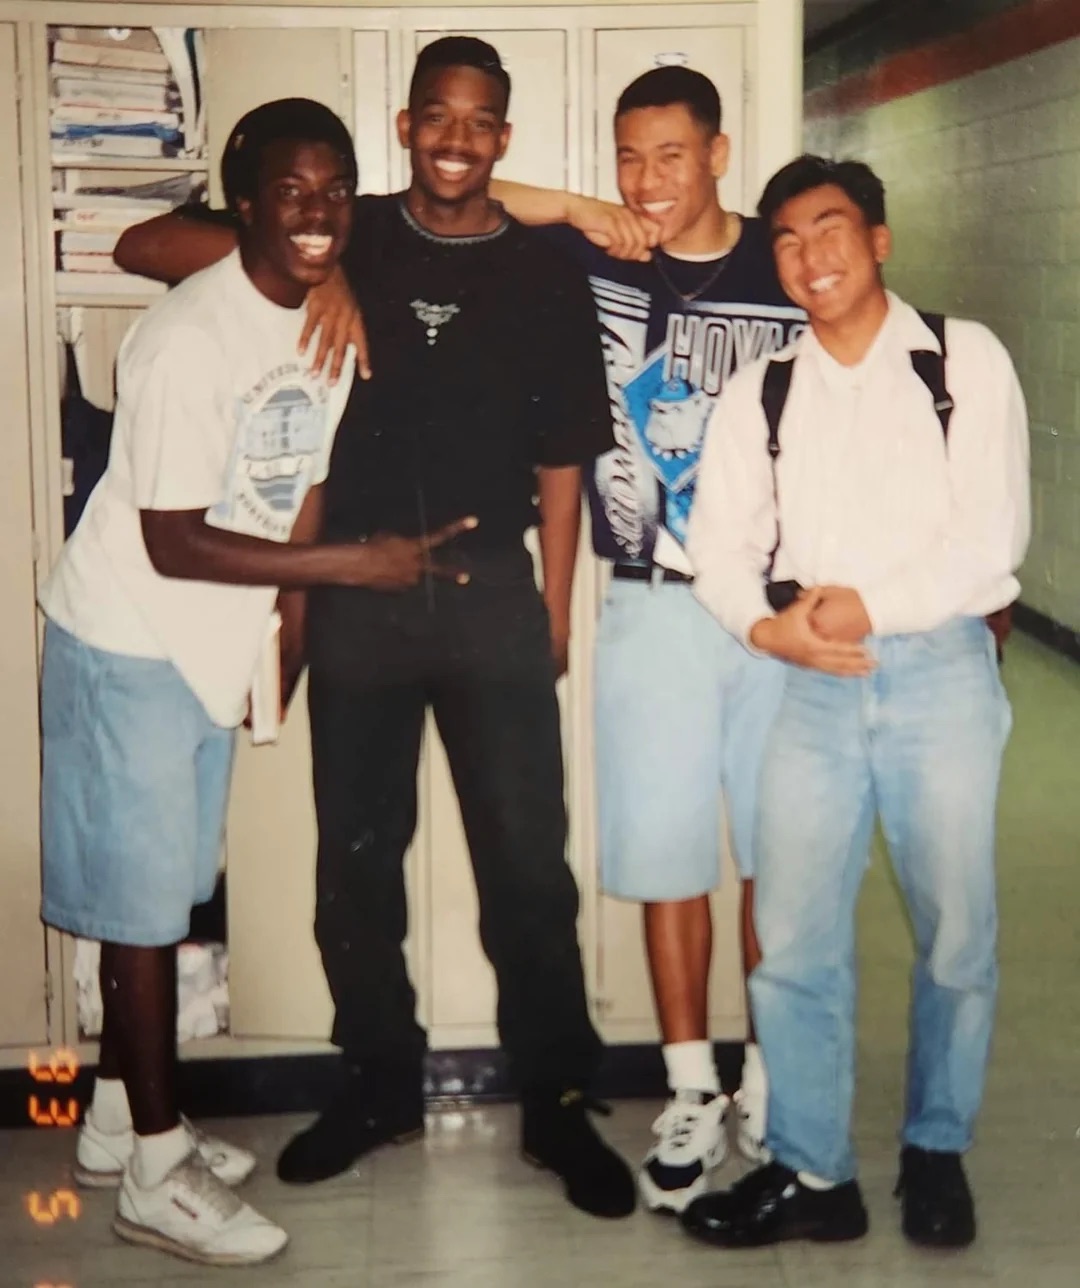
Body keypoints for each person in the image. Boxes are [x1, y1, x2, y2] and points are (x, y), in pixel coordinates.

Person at [114, 39, 636, 1221]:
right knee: (356, 870)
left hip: (493, 595)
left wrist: (555, 613)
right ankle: (378, 1084)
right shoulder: (343, 228)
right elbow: (148, 245)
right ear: (405, 125)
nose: (456, 140)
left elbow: (563, 462)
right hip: (358, 598)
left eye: (480, 122)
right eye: (436, 119)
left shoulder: (546, 267)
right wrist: (330, 274)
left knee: (527, 872)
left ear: (502, 136)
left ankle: (556, 1102)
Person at [39, 97, 477, 1269]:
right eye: (291, 190)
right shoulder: (188, 340)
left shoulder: (324, 318)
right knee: (139, 910)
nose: (319, 211)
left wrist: (280, 633)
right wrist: (347, 572)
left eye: (334, 187)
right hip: (130, 635)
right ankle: (157, 1171)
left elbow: (304, 481)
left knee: (169, 893)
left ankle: (117, 1121)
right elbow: (173, 538)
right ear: (240, 202)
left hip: (208, 640)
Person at [681, 154, 1029, 1250]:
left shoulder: (963, 361)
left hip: (939, 675)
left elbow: (989, 540)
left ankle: (935, 1147)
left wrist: (862, 608)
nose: (808, 256)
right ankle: (815, 1171)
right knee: (792, 939)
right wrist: (768, 627)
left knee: (955, 933)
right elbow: (717, 550)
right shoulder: (761, 387)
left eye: (830, 229)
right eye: (785, 239)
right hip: (808, 686)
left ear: (878, 239)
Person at [491, 66, 805, 1213]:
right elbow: (469, 192)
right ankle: (690, 1087)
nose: (648, 179)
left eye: (671, 155)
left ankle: (774, 1082)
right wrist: (584, 203)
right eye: (630, 156)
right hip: (651, 598)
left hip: (775, 611)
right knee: (671, 856)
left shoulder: (787, 254)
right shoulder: (599, 253)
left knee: (781, 858)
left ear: (720, 152)